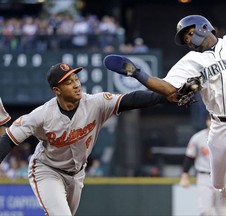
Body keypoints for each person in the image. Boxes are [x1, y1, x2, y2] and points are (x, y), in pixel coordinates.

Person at [104, 0, 226, 215]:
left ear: (204, 27)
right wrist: (138, 73)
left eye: (189, 33)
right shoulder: (191, 61)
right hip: (219, 127)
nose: (189, 40)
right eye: (185, 39)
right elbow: (166, 88)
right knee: (219, 183)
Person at [0, 63, 170, 216]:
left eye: (76, 79)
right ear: (56, 90)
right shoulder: (41, 115)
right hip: (47, 170)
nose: (76, 85)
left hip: (77, 173)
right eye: (68, 82)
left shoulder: (95, 103)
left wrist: (165, 96)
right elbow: (8, 139)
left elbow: (131, 100)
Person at [179, 117, 226, 216]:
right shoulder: (198, 137)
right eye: (210, 119)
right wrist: (185, 175)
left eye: (214, 120)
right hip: (204, 176)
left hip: (223, 177)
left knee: (222, 212)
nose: (211, 122)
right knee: (205, 211)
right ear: (206, 121)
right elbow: (189, 157)